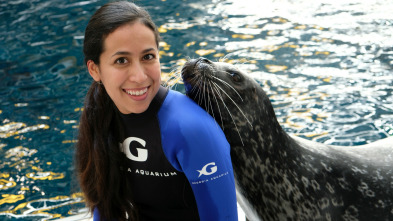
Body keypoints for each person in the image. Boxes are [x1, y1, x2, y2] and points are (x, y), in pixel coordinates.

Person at [75, 1, 238, 221]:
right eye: (121, 60)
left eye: (148, 57)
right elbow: (104, 206)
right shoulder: (100, 111)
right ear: (95, 70)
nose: (140, 76)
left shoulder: (191, 130)